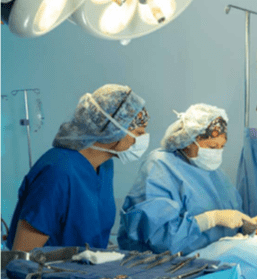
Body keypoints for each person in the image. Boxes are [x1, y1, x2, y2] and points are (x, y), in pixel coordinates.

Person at [118, 103, 257, 254]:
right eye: (212, 147)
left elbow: (226, 228)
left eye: (221, 146)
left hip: (215, 255)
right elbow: (158, 237)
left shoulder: (214, 172)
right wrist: (212, 218)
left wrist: (249, 225)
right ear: (188, 140)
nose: (216, 153)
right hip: (170, 264)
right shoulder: (160, 166)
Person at [7, 84, 150, 252]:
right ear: (113, 129)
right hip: (49, 276)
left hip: (87, 274)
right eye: (139, 133)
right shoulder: (57, 172)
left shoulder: (104, 166)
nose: (142, 140)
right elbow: (23, 255)